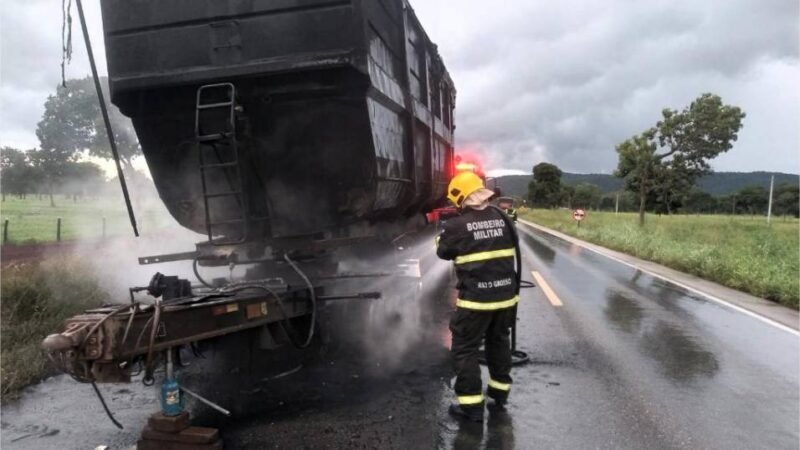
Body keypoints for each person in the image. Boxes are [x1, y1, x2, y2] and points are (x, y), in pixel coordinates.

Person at [436, 171, 519, 422]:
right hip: (506, 297)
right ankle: (499, 394)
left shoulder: (456, 225)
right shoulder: (503, 218)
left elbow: (442, 252)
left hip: (476, 301)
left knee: (465, 348)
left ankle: (471, 406)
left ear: (460, 198)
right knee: (498, 342)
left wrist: (442, 236)